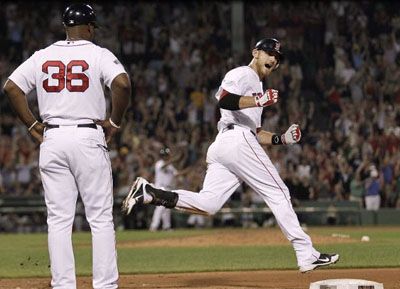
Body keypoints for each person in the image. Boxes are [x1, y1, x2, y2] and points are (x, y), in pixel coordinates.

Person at [122, 38, 339, 273]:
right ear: (255, 52)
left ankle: (150, 193)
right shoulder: (244, 74)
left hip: (227, 144)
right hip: (235, 141)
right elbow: (224, 98)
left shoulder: (257, 86)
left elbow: (255, 133)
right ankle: (306, 254)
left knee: (209, 204)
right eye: (268, 52)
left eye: (277, 57)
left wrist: (281, 138)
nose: (273, 58)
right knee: (278, 192)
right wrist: (258, 100)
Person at [3, 3, 131, 289]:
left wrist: (33, 124)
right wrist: (115, 121)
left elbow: (11, 87)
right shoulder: (98, 54)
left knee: (59, 219)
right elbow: (122, 84)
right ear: (89, 27)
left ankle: (63, 285)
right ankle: (105, 285)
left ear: (65, 27)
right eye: (93, 28)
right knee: (99, 218)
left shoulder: (42, 56)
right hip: (87, 136)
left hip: (53, 138)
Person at [149, 146, 178, 231]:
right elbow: (163, 167)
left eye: (166, 155)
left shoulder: (170, 166)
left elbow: (177, 174)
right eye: (164, 155)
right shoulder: (159, 163)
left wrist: (189, 169)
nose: (166, 156)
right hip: (160, 187)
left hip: (168, 188)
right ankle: (154, 226)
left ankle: (166, 226)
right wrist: (174, 159)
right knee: (160, 207)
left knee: (167, 208)